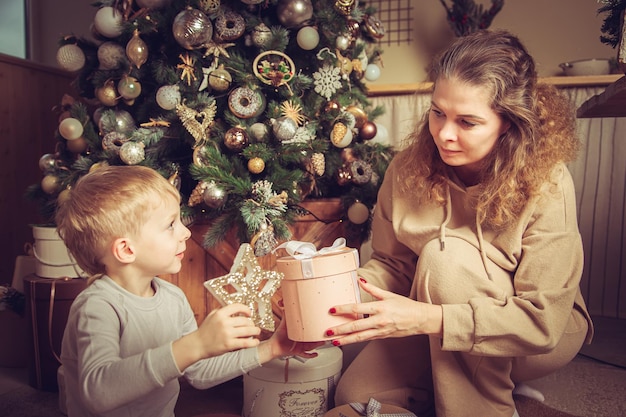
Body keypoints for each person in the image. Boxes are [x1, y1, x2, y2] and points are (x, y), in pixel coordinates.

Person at [325, 29, 593, 417]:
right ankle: (458, 385)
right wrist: (337, 297)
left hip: (531, 335)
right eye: (437, 113)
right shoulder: (407, 167)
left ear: (509, 124)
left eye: (467, 122)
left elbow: (543, 321)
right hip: (430, 318)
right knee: (356, 396)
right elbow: (392, 265)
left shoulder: (547, 181)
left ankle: (490, 398)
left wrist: (428, 318)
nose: (444, 134)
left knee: (444, 259)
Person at [56, 165, 319, 417]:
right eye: (170, 224)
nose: (184, 232)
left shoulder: (173, 297)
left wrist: (272, 348)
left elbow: (199, 372)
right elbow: (99, 392)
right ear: (126, 250)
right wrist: (195, 344)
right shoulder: (97, 306)